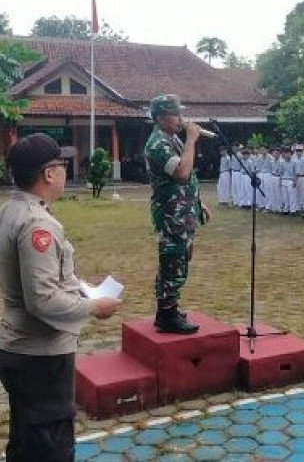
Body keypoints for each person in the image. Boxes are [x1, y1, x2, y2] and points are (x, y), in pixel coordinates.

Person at [0, 133, 121, 460]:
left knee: (26, 441)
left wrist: (78, 286)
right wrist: (94, 306)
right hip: (40, 353)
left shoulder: (11, 210)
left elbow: (43, 279)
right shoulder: (38, 224)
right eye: (62, 165)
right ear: (48, 174)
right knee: (50, 444)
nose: (66, 171)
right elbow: (41, 299)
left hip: (21, 350)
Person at [145, 94, 212, 334]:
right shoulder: (157, 144)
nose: (180, 119)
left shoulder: (171, 138)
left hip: (183, 210)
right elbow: (183, 173)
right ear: (161, 117)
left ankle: (170, 307)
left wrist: (198, 202)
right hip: (171, 214)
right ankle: (167, 313)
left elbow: (188, 179)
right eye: (175, 114)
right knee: (172, 260)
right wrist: (192, 140)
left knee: (182, 257)